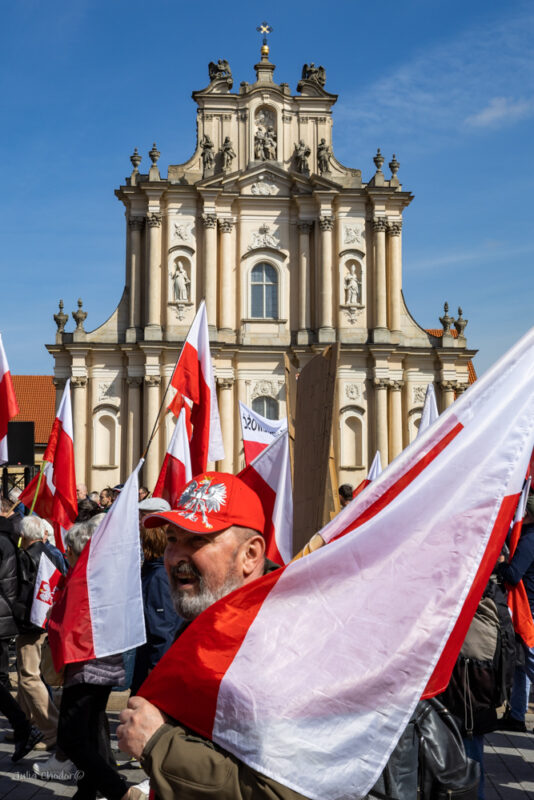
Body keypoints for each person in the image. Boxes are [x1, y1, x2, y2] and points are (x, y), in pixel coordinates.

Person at [117, 472, 292, 800]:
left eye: (196, 541)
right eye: (172, 539)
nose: (175, 556)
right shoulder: (206, 618)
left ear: (250, 555)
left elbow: (281, 793)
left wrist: (159, 744)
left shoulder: (279, 647)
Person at [55, 516, 142, 800]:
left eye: (68, 550)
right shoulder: (106, 576)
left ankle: (119, 791)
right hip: (105, 664)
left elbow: (70, 624)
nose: (66, 554)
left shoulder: (84, 578)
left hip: (87, 666)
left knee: (71, 737)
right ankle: (87, 791)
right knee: (92, 731)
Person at [130, 498, 181, 695]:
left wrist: (156, 676)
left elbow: (162, 630)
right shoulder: (154, 570)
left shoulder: (159, 576)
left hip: (154, 673)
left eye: (142, 520)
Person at [496, 487, 534, 731]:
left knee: (529, 664)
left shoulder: (529, 538)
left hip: (529, 610)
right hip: (528, 607)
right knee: (523, 667)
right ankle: (518, 715)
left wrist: (499, 566)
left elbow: (513, 574)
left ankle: (518, 714)